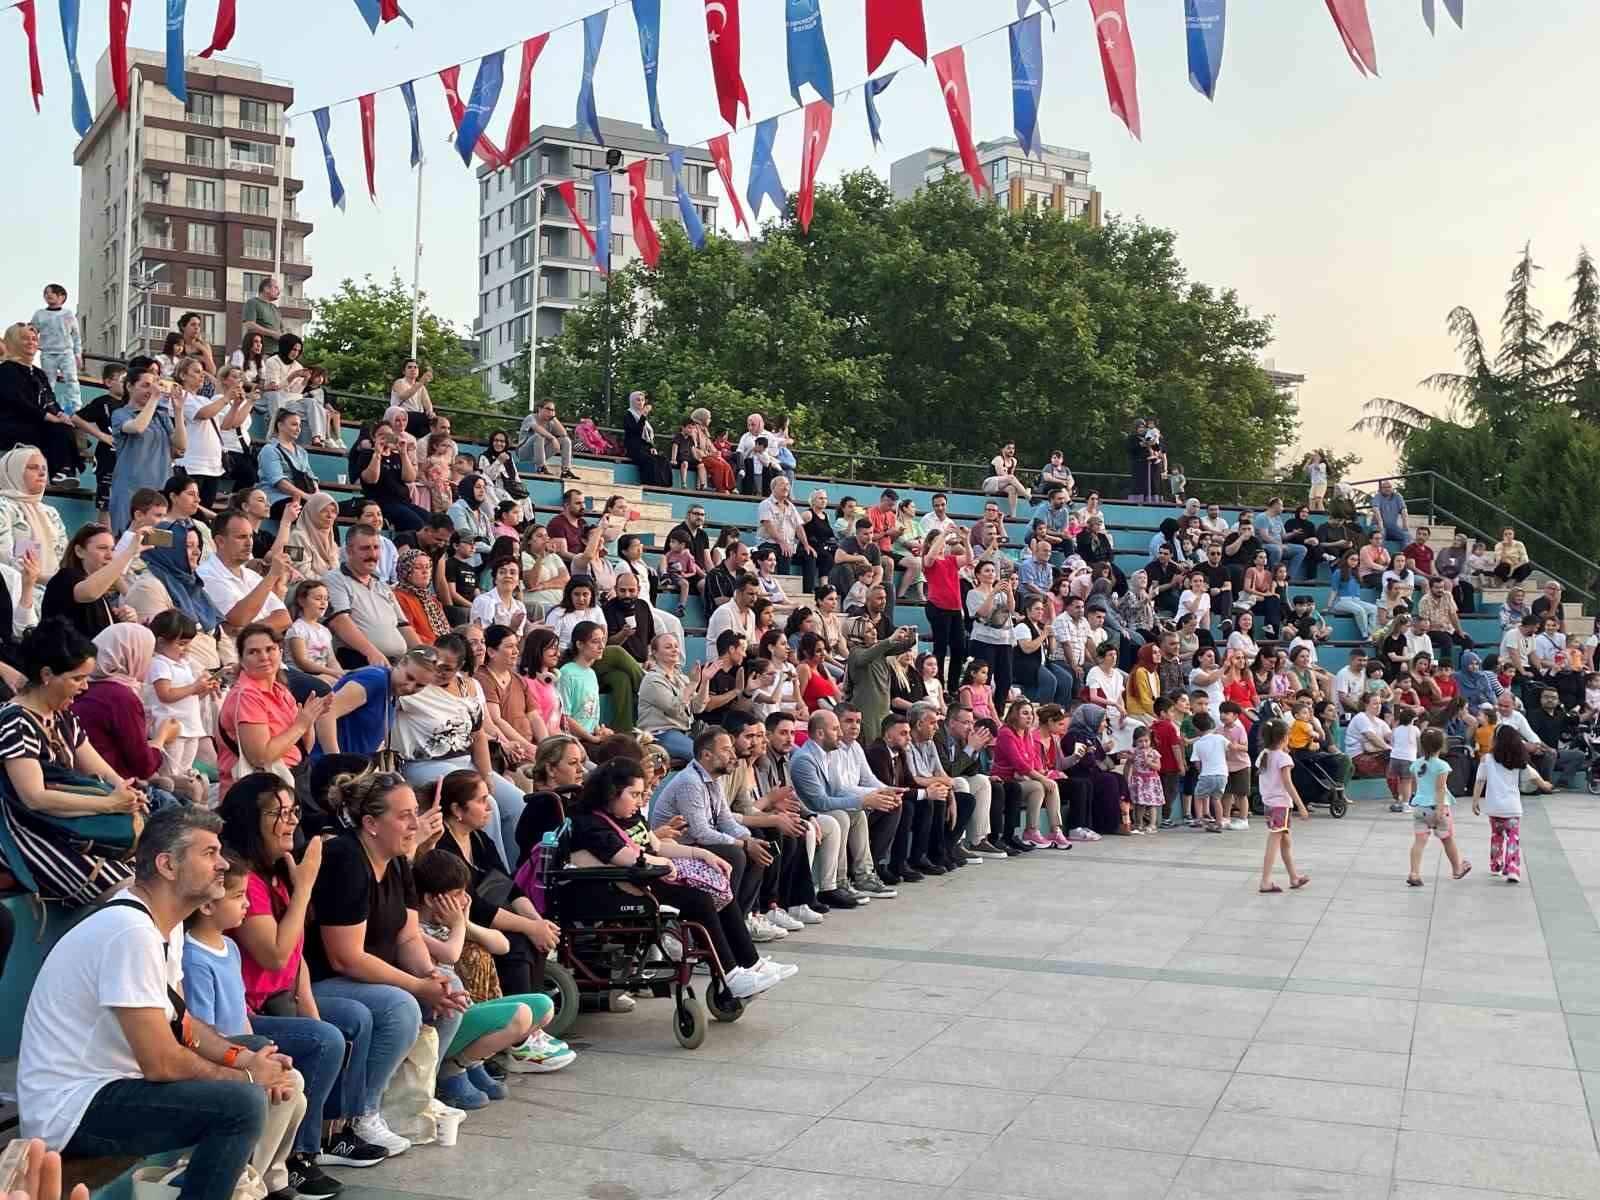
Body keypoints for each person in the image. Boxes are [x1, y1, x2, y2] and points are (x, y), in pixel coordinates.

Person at [17, 807, 298, 1200]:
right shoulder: (129, 932)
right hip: (73, 1108)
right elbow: (162, 1061)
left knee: (259, 1058)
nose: (222, 864)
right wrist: (248, 1079)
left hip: (115, 1085)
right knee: (242, 1105)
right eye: (209, 853)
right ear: (167, 865)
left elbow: (182, 1024)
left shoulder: (162, 926)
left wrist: (243, 1059)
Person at [577, 755, 791, 998]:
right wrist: (666, 863)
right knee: (699, 900)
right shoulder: (592, 824)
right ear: (612, 793)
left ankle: (751, 963)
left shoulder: (630, 816)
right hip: (623, 886)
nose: (640, 800)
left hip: (647, 878)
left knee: (718, 887)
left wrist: (700, 854)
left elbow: (656, 845)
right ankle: (730, 974)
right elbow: (629, 858)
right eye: (634, 794)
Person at [178, 857, 327, 1199]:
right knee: (290, 1085)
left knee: (295, 1094)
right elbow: (202, 1028)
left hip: (242, 1048)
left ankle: (269, 1178)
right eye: (237, 896)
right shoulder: (194, 957)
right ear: (207, 906)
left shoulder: (229, 947)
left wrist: (258, 1051)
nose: (247, 903)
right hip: (221, 1054)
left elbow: (241, 1014)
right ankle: (246, 1181)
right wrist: (245, 1059)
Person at [324, 525, 417, 669]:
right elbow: (338, 623)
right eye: (365, 548)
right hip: (360, 661)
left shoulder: (381, 584)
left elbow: (403, 626)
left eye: (376, 547)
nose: (373, 554)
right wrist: (371, 653)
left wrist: (426, 656)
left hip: (395, 664)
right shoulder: (335, 579)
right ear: (349, 551)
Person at [1473, 724, 1555, 884]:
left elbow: (1480, 780)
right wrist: (1545, 785)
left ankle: (1495, 865)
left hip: (1494, 807)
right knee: (1513, 837)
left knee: (1496, 836)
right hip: (1512, 807)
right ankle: (1512, 868)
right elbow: (1534, 777)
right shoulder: (1519, 760)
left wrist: (1475, 800)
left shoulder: (1487, 759)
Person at [0, 323, 81, 483]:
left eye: (34, 339)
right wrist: (48, 417)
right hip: (12, 425)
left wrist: (59, 413)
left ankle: (63, 472)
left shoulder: (39, 373)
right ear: (14, 342)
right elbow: (17, 401)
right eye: (25, 339)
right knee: (55, 428)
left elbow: (49, 399)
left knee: (64, 426)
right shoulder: (6, 370)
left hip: (35, 424)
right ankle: (60, 471)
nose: (31, 342)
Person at [1406, 727, 1471, 886]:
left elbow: (1414, 784)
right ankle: (1457, 868)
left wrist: (1413, 797)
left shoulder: (1416, 764)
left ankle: (1414, 873)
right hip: (1436, 808)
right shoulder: (1442, 766)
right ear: (1441, 746)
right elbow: (1440, 789)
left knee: (1419, 841)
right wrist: (1440, 809)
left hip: (1419, 807)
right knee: (1447, 839)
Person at [1254, 718, 1310, 892]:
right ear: (1285, 737)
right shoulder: (1283, 758)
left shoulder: (1264, 755)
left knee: (1286, 841)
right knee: (1275, 840)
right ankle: (1265, 881)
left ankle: (1294, 877)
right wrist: (1301, 805)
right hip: (1280, 804)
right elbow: (1288, 784)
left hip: (1269, 804)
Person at [31, 284, 83, 414]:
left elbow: (76, 336)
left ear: (62, 297)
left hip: (66, 352)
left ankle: (76, 407)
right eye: (46, 293)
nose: (48, 295)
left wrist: (78, 354)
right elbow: (32, 332)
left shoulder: (67, 315)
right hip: (48, 353)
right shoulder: (40, 314)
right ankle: (49, 406)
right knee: (48, 381)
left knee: (71, 379)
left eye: (52, 292)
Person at [622, 391, 669, 485]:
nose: (641, 402)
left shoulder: (641, 416)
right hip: (634, 448)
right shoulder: (628, 415)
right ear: (632, 401)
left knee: (663, 460)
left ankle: (664, 486)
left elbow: (647, 436)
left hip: (644, 447)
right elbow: (636, 432)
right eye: (638, 400)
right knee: (651, 462)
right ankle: (651, 485)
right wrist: (643, 417)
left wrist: (652, 446)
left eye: (642, 400)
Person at [242, 277, 284, 345]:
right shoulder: (252, 303)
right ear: (266, 289)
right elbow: (249, 325)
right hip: (261, 352)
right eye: (276, 288)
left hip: (277, 352)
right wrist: (272, 333)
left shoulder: (276, 309)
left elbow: (281, 331)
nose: (279, 292)